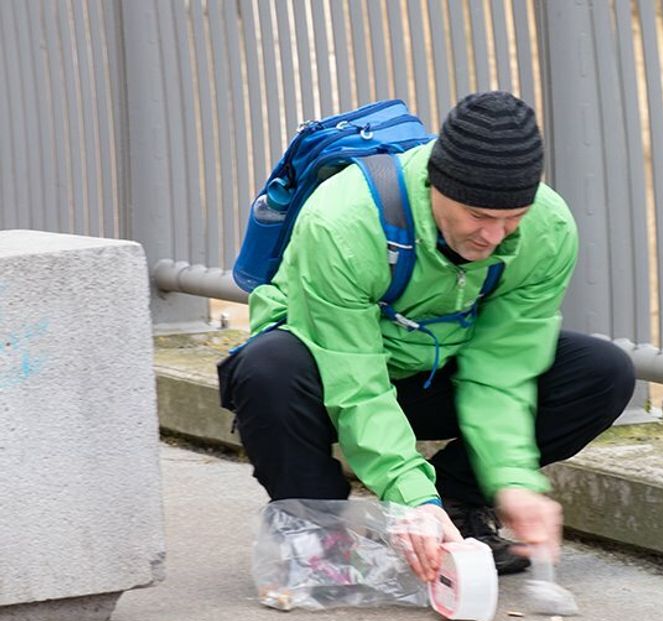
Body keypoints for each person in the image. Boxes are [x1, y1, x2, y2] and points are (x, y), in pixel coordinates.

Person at [218, 91, 636, 583]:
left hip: (439, 376)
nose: (493, 237)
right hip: (330, 380)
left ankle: (457, 505)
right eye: (478, 216)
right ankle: (321, 532)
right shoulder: (344, 220)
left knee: (601, 372)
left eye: (512, 219)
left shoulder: (548, 229)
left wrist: (514, 482)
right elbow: (355, 382)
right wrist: (408, 495)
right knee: (268, 368)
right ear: (436, 184)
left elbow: (502, 371)